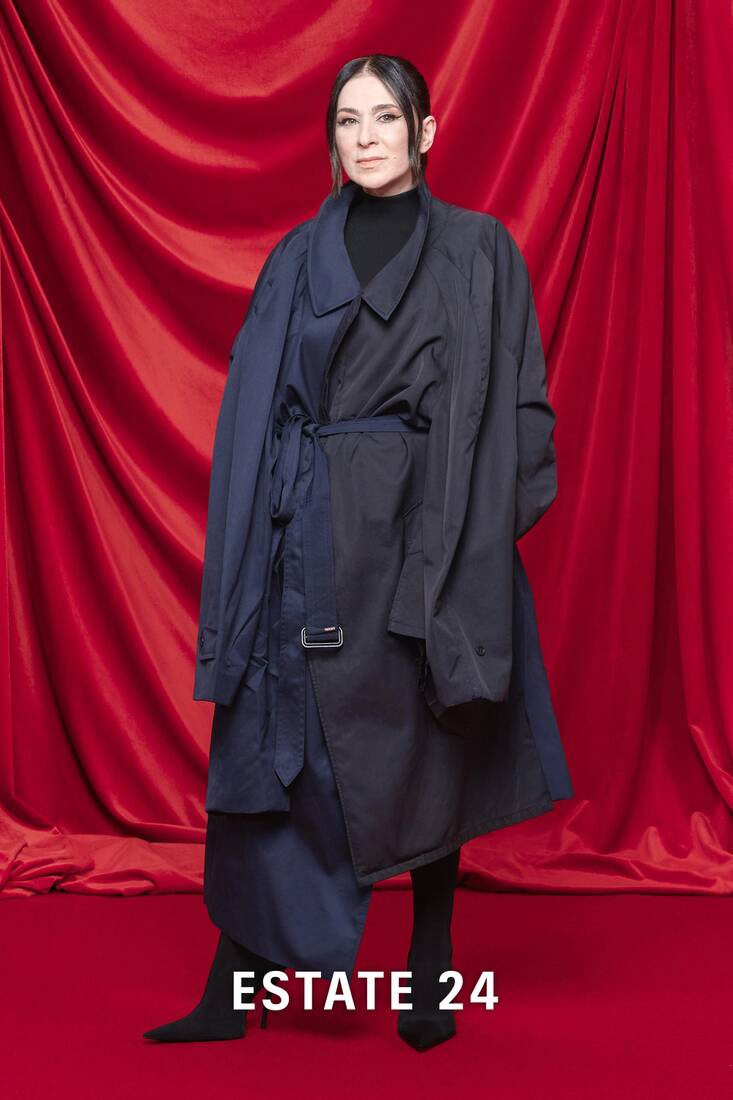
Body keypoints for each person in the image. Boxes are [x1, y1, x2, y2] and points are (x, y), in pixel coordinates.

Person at [143, 54, 573, 1053]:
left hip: (431, 532)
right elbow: (254, 408)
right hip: (309, 537)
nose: (366, 136)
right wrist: (265, 538)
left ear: (426, 131)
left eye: (386, 117)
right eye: (347, 120)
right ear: (331, 139)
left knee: (432, 741)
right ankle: (233, 982)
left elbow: (522, 410)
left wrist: (470, 530)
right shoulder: (297, 256)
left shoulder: (480, 250)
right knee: (276, 741)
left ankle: (429, 961)